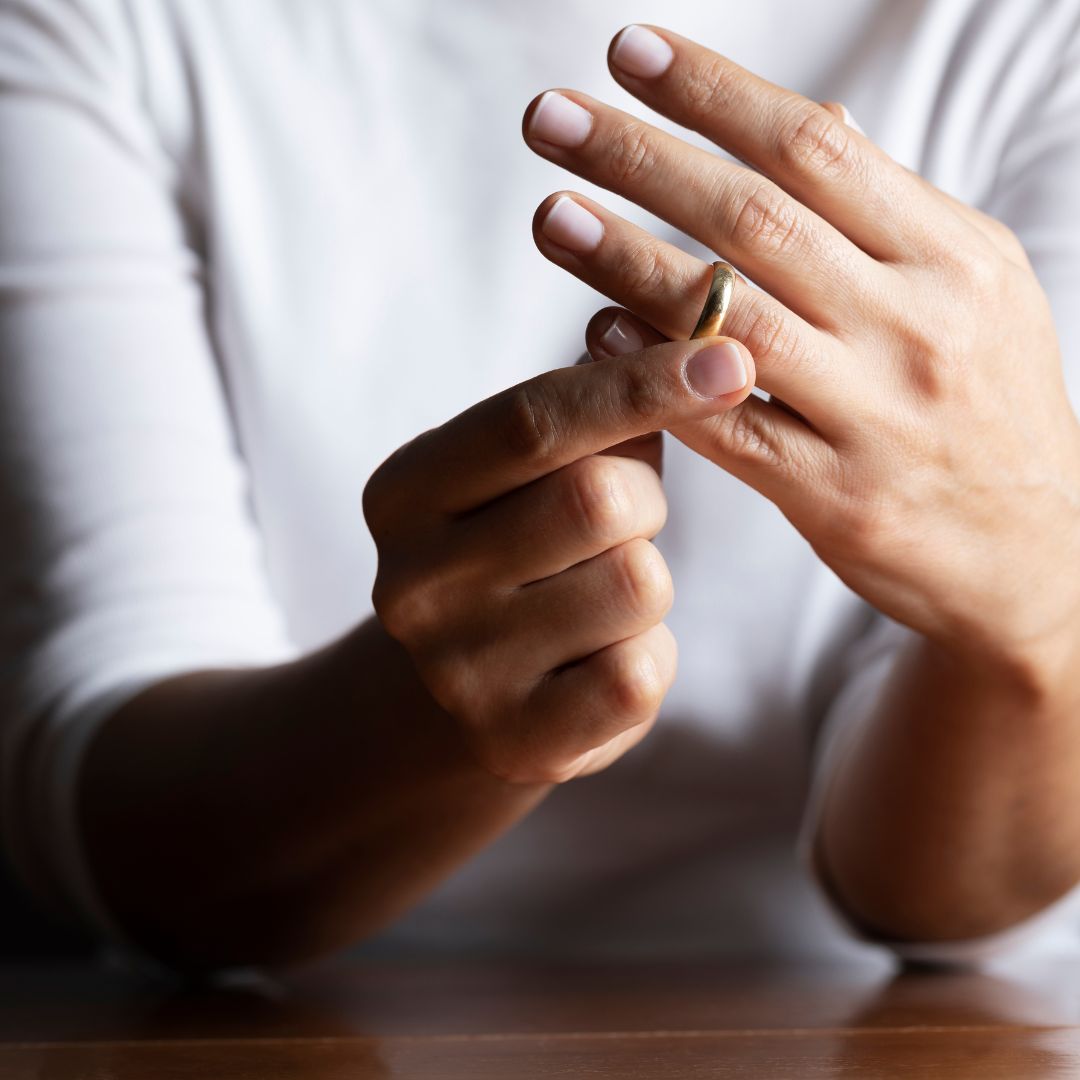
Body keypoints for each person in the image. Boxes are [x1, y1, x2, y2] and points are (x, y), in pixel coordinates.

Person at [1, 0, 1079, 975]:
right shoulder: (104, 26)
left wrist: (1034, 623)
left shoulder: (1031, 34)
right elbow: (113, 821)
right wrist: (436, 721)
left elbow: (938, 907)